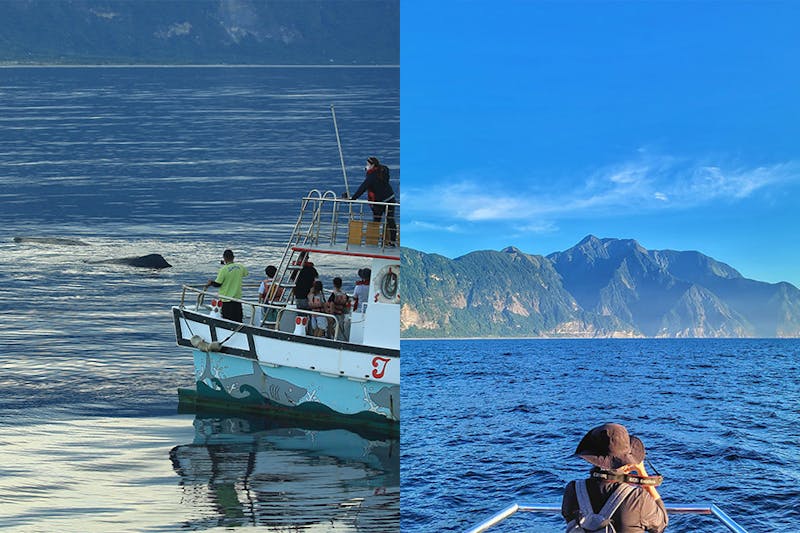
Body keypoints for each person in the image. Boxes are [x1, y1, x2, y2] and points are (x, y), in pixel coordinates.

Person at [562, 423, 668, 533]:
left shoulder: (573, 490)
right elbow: (661, 524)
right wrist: (643, 474)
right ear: (628, 462)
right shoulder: (638, 498)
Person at [348, 156, 397, 245]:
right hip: (390, 198)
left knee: (377, 221)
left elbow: (362, 188)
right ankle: (392, 240)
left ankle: (374, 241)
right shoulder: (383, 170)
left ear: (372, 165)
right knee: (390, 220)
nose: (366, 166)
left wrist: (353, 198)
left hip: (380, 202)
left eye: (367, 164)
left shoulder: (371, 177)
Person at [204, 249, 249, 323]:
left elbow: (218, 284)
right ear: (233, 257)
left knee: (227, 320)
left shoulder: (223, 269)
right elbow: (245, 274)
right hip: (237, 299)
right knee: (238, 320)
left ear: (224, 258)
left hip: (226, 299)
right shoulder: (240, 267)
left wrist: (211, 282)